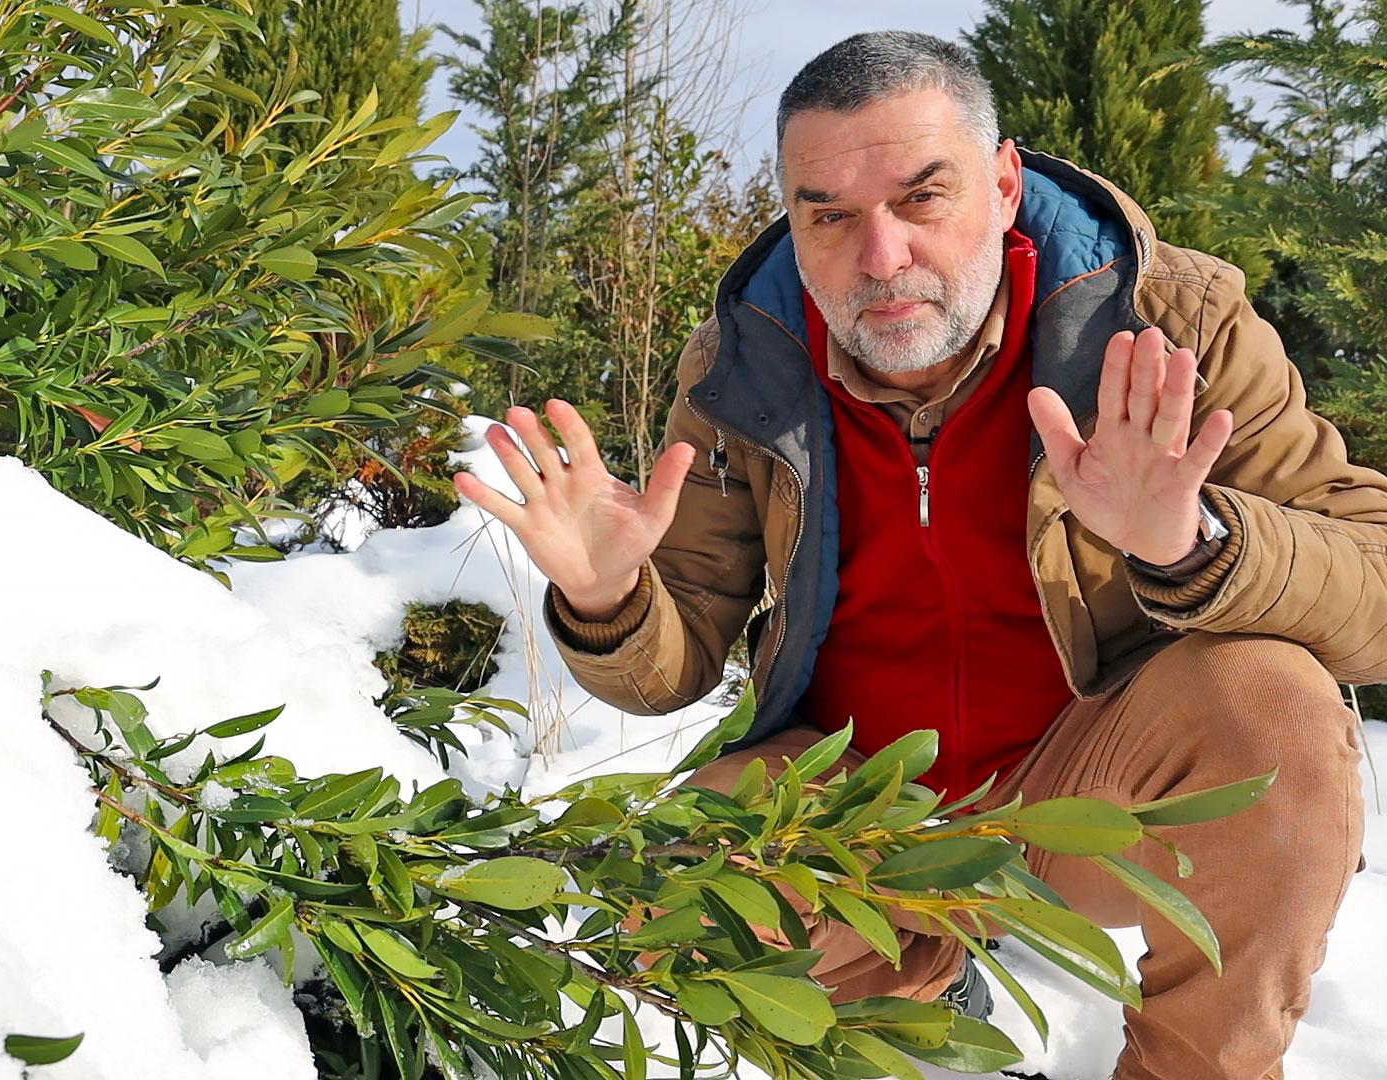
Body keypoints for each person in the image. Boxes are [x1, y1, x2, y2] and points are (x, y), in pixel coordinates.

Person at [451, 30, 1387, 1080]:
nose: (880, 258)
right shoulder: (744, 362)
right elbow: (671, 666)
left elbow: (1377, 589)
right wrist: (610, 594)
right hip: (861, 801)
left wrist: (1191, 543)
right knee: (677, 886)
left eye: (922, 199)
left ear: (1000, 180)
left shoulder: (1170, 321)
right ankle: (926, 990)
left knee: (1277, 710)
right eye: (831, 216)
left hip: (1094, 794)